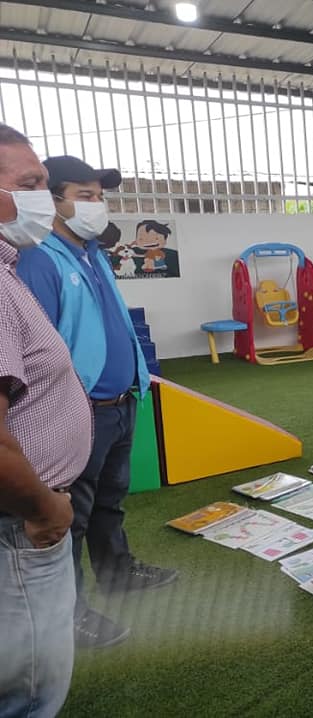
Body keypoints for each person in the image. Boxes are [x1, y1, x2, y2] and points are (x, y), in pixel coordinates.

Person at [17, 155, 179, 650]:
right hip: (79, 412)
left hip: (120, 402)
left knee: (109, 502)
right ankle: (67, 615)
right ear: (54, 201)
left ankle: (118, 574)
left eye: (100, 196)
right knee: (72, 516)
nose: (97, 205)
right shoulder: (39, 259)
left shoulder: (92, 252)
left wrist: (135, 379)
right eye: (84, 196)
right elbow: (37, 347)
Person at [0, 125, 93, 716]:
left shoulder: (10, 271)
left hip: (22, 521)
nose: (44, 198)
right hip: (22, 527)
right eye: (31, 184)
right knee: (31, 691)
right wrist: (43, 509)